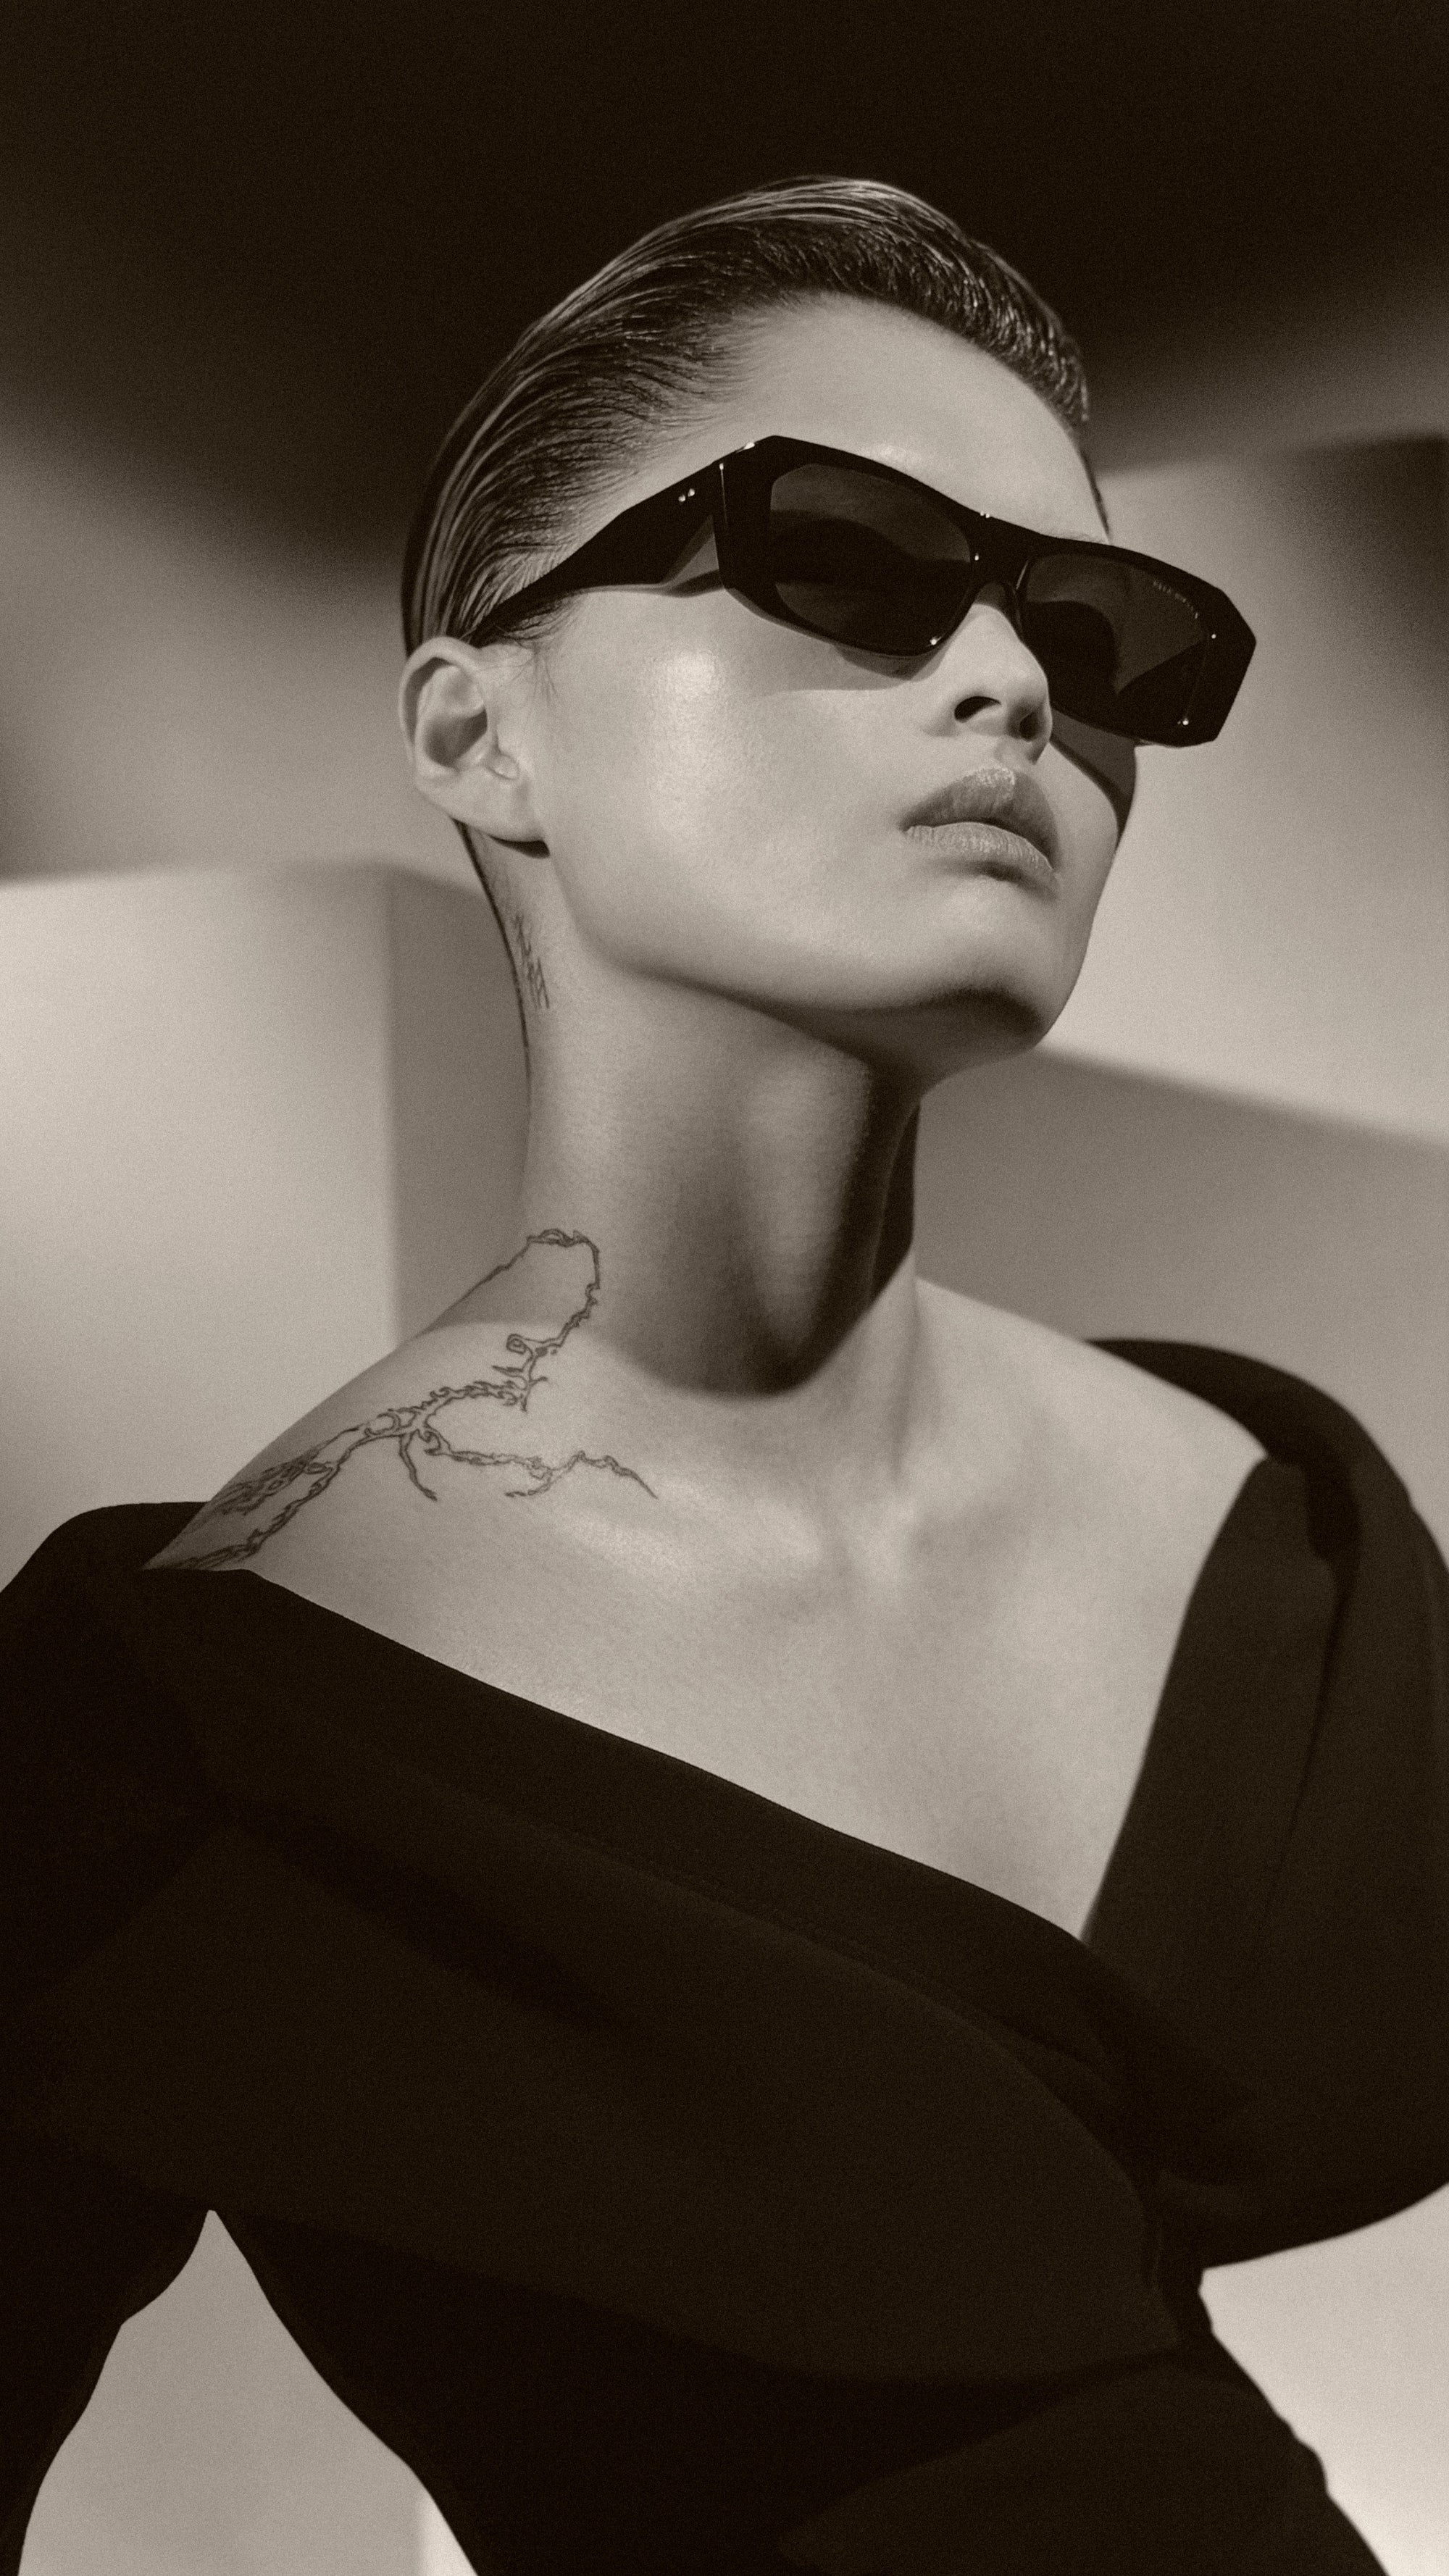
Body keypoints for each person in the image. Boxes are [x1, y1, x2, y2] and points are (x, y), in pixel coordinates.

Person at [3, 176, 1445, 2575]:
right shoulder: (182, 1751)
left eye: (1101, 628)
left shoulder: (1286, 1543)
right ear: (480, 730)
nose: (1014, 684)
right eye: (848, 561)